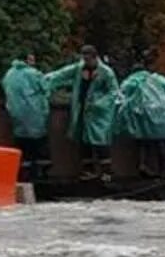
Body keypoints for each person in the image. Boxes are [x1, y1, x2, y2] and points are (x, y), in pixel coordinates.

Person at [45, 45, 119, 179]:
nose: (86, 61)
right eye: (84, 58)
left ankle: (106, 173)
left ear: (95, 57)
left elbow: (114, 92)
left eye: (88, 59)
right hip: (83, 110)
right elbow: (62, 74)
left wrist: (100, 103)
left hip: (98, 113)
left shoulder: (106, 72)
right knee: (84, 141)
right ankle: (88, 170)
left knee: (100, 141)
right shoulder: (79, 68)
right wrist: (45, 79)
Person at [118, 65, 165, 177]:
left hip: (142, 112)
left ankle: (143, 165)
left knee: (142, 140)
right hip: (161, 111)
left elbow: (121, 95)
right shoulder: (157, 78)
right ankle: (164, 168)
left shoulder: (132, 80)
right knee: (160, 141)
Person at [2, 53, 51, 181]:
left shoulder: (9, 74)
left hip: (17, 118)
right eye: (32, 60)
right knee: (40, 150)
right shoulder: (34, 74)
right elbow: (46, 87)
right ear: (27, 60)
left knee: (23, 151)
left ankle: (24, 176)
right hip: (35, 117)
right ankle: (41, 178)